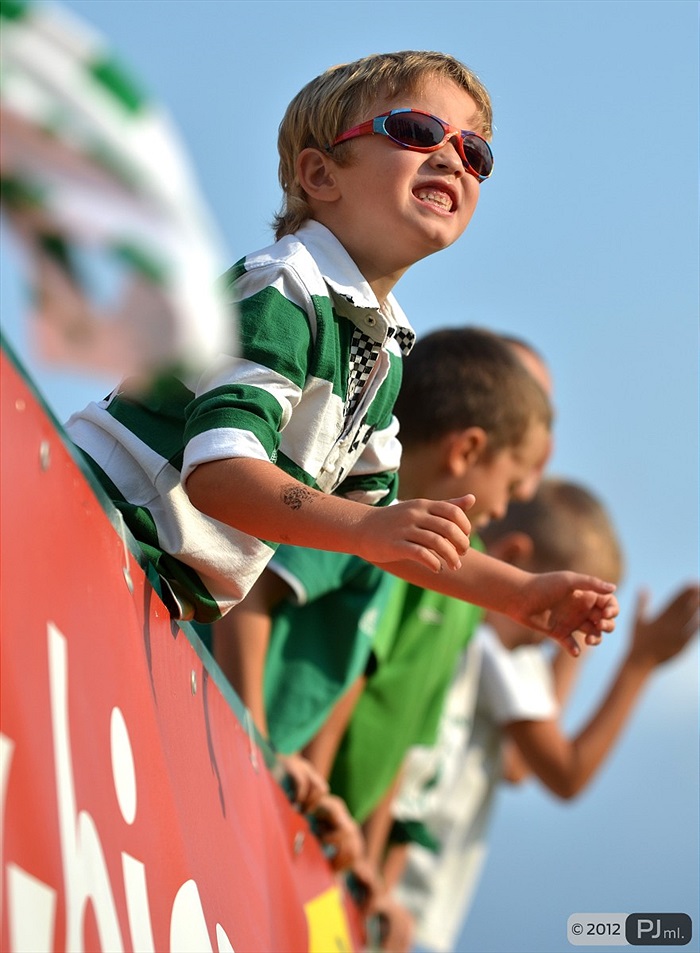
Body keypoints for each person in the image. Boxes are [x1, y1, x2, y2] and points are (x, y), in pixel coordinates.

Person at [382, 479, 700, 953]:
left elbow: (517, 765)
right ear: (513, 560)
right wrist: (639, 665)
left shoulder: (498, 648)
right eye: (564, 603)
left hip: (411, 905)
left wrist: (579, 636)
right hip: (400, 899)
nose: (546, 636)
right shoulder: (489, 641)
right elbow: (565, 772)